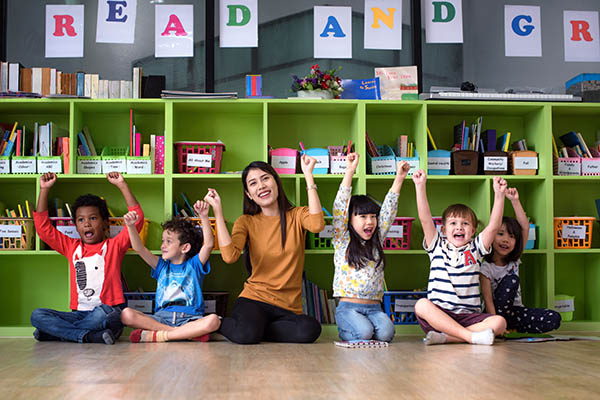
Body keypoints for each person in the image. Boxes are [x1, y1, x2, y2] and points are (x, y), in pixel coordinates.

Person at [204, 155, 325, 344]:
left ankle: (257, 329)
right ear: (249, 194)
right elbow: (229, 256)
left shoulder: (296, 215)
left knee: (310, 330)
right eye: (253, 183)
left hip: (288, 308)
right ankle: (217, 323)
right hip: (254, 300)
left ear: (276, 182)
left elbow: (317, 225)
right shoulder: (246, 222)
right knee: (246, 336)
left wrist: (308, 176)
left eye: (265, 178)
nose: (261, 185)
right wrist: (218, 212)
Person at [30, 172, 144, 344]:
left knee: (103, 314)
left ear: (105, 222)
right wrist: (44, 189)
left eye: (93, 218)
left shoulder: (114, 246)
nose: (87, 224)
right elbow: (43, 229)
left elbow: (137, 219)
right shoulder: (71, 247)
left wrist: (122, 185)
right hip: (79, 313)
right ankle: (88, 336)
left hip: (106, 313)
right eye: (81, 220)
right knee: (37, 315)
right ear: (75, 225)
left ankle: (58, 333)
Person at [412, 170, 507, 345]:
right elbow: (425, 219)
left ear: (473, 231)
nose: (459, 228)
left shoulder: (476, 249)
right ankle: (469, 337)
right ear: (443, 230)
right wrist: (420, 186)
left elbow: (494, 227)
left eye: (465, 224)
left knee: (499, 322)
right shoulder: (437, 246)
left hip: (469, 316)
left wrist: (499, 195)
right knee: (421, 305)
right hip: (440, 315)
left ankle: (447, 338)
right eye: (453, 223)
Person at [332, 153, 409, 342]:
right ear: (349, 220)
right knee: (364, 333)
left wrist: (399, 177)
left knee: (386, 334)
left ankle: (362, 330)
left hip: (375, 308)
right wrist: (350, 170)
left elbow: (389, 210)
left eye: (373, 217)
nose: (370, 222)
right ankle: (347, 330)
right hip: (349, 307)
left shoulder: (377, 239)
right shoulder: (343, 239)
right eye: (363, 217)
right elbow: (340, 205)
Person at [120, 198, 220, 342]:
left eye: (169, 241)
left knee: (213, 320)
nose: (163, 246)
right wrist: (130, 226)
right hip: (161, 319)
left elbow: (209, 244)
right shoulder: (161, 266)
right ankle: (184, 334)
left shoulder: (194, 265)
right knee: (126, 314)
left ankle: (159, 336)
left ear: (185, 247)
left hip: (190, 319)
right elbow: (139, 248)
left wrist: (204, 216)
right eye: (162, 241)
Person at [480, 187, 561, 333]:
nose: (506, 240)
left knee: (553, 318)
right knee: (512, 280)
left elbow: (525, 228)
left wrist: (515, 201)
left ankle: (511, 327)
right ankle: (501, 327)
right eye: (501, 234)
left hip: (514, 313)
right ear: (491, 237)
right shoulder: (486, 267)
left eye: (512, 237)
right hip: (492, 315)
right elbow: (487, 299)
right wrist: (493, 324)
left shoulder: (514, 261)